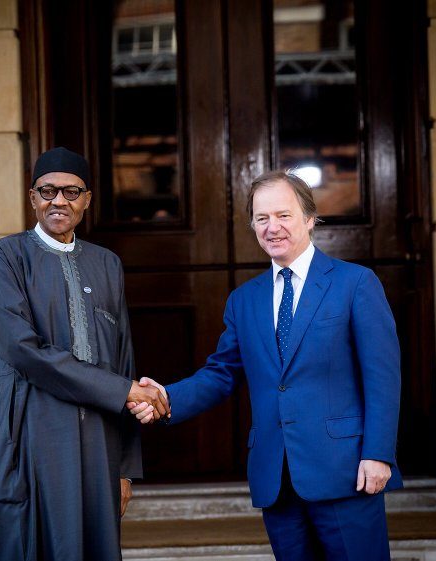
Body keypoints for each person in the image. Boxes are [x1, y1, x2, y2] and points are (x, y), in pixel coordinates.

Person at [129, 171, 402, 561]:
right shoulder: (245, 300)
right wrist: (165, 397)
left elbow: (383, 379)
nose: (272, 227)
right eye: (262, 218)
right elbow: (222, 373)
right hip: (276, 478)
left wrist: (378, 454)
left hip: (347, 472)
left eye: (284, 215)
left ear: (309, 218)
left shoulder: (355, 283)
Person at [0, 147, 169, 561]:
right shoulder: (3, 259)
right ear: (32, 198)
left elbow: (123, 361)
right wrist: (124, 390)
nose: (58, 201)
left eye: (70, 192)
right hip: (34, 434)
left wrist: (124, 469)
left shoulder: (106, 264)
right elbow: (22, 352)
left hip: (100, 443)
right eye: (47, 191)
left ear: (87, 200)